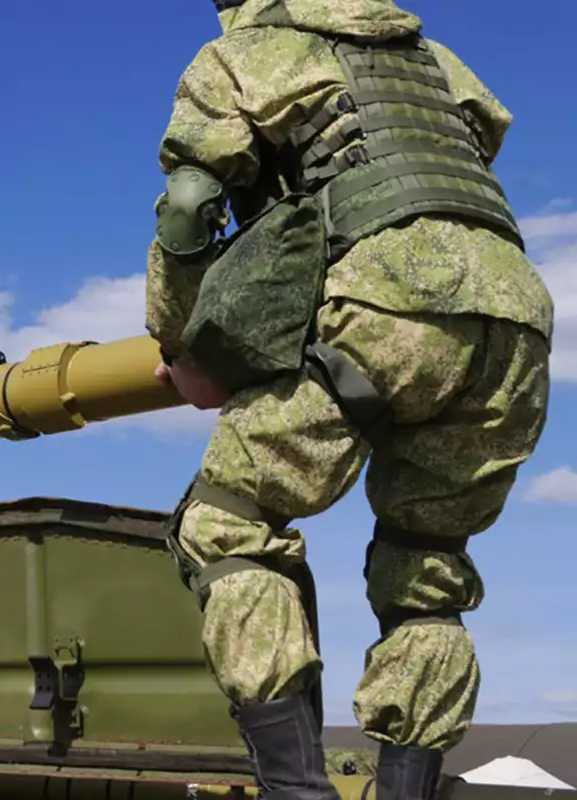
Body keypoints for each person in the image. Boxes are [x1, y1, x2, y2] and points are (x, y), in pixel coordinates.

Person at [145, 2, 552, 800]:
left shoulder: (248, 54)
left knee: (228, 521)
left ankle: (299, 792)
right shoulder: (441, 62)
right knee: (426, 569)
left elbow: (192, 203)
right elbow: (460, 163)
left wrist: (187, 344)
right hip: (519, 325)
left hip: (386, 303)